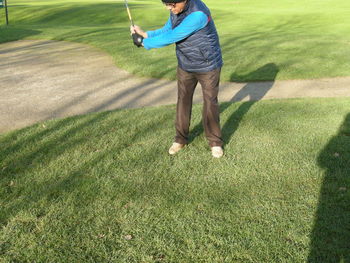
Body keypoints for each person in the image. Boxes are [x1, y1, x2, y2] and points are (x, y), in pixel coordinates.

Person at [130, 0, 224, 158]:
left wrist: (143, 42)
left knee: (210, 102)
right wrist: (145, 34)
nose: (169, 8)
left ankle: (215, 142)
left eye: (172, 4)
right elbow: (168, 29)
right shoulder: (175, 10)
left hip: (208, 65)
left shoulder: (198, 14)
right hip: (185, 63)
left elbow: (174, 35)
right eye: (166, 4)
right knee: (183, 100)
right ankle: (180, 139)